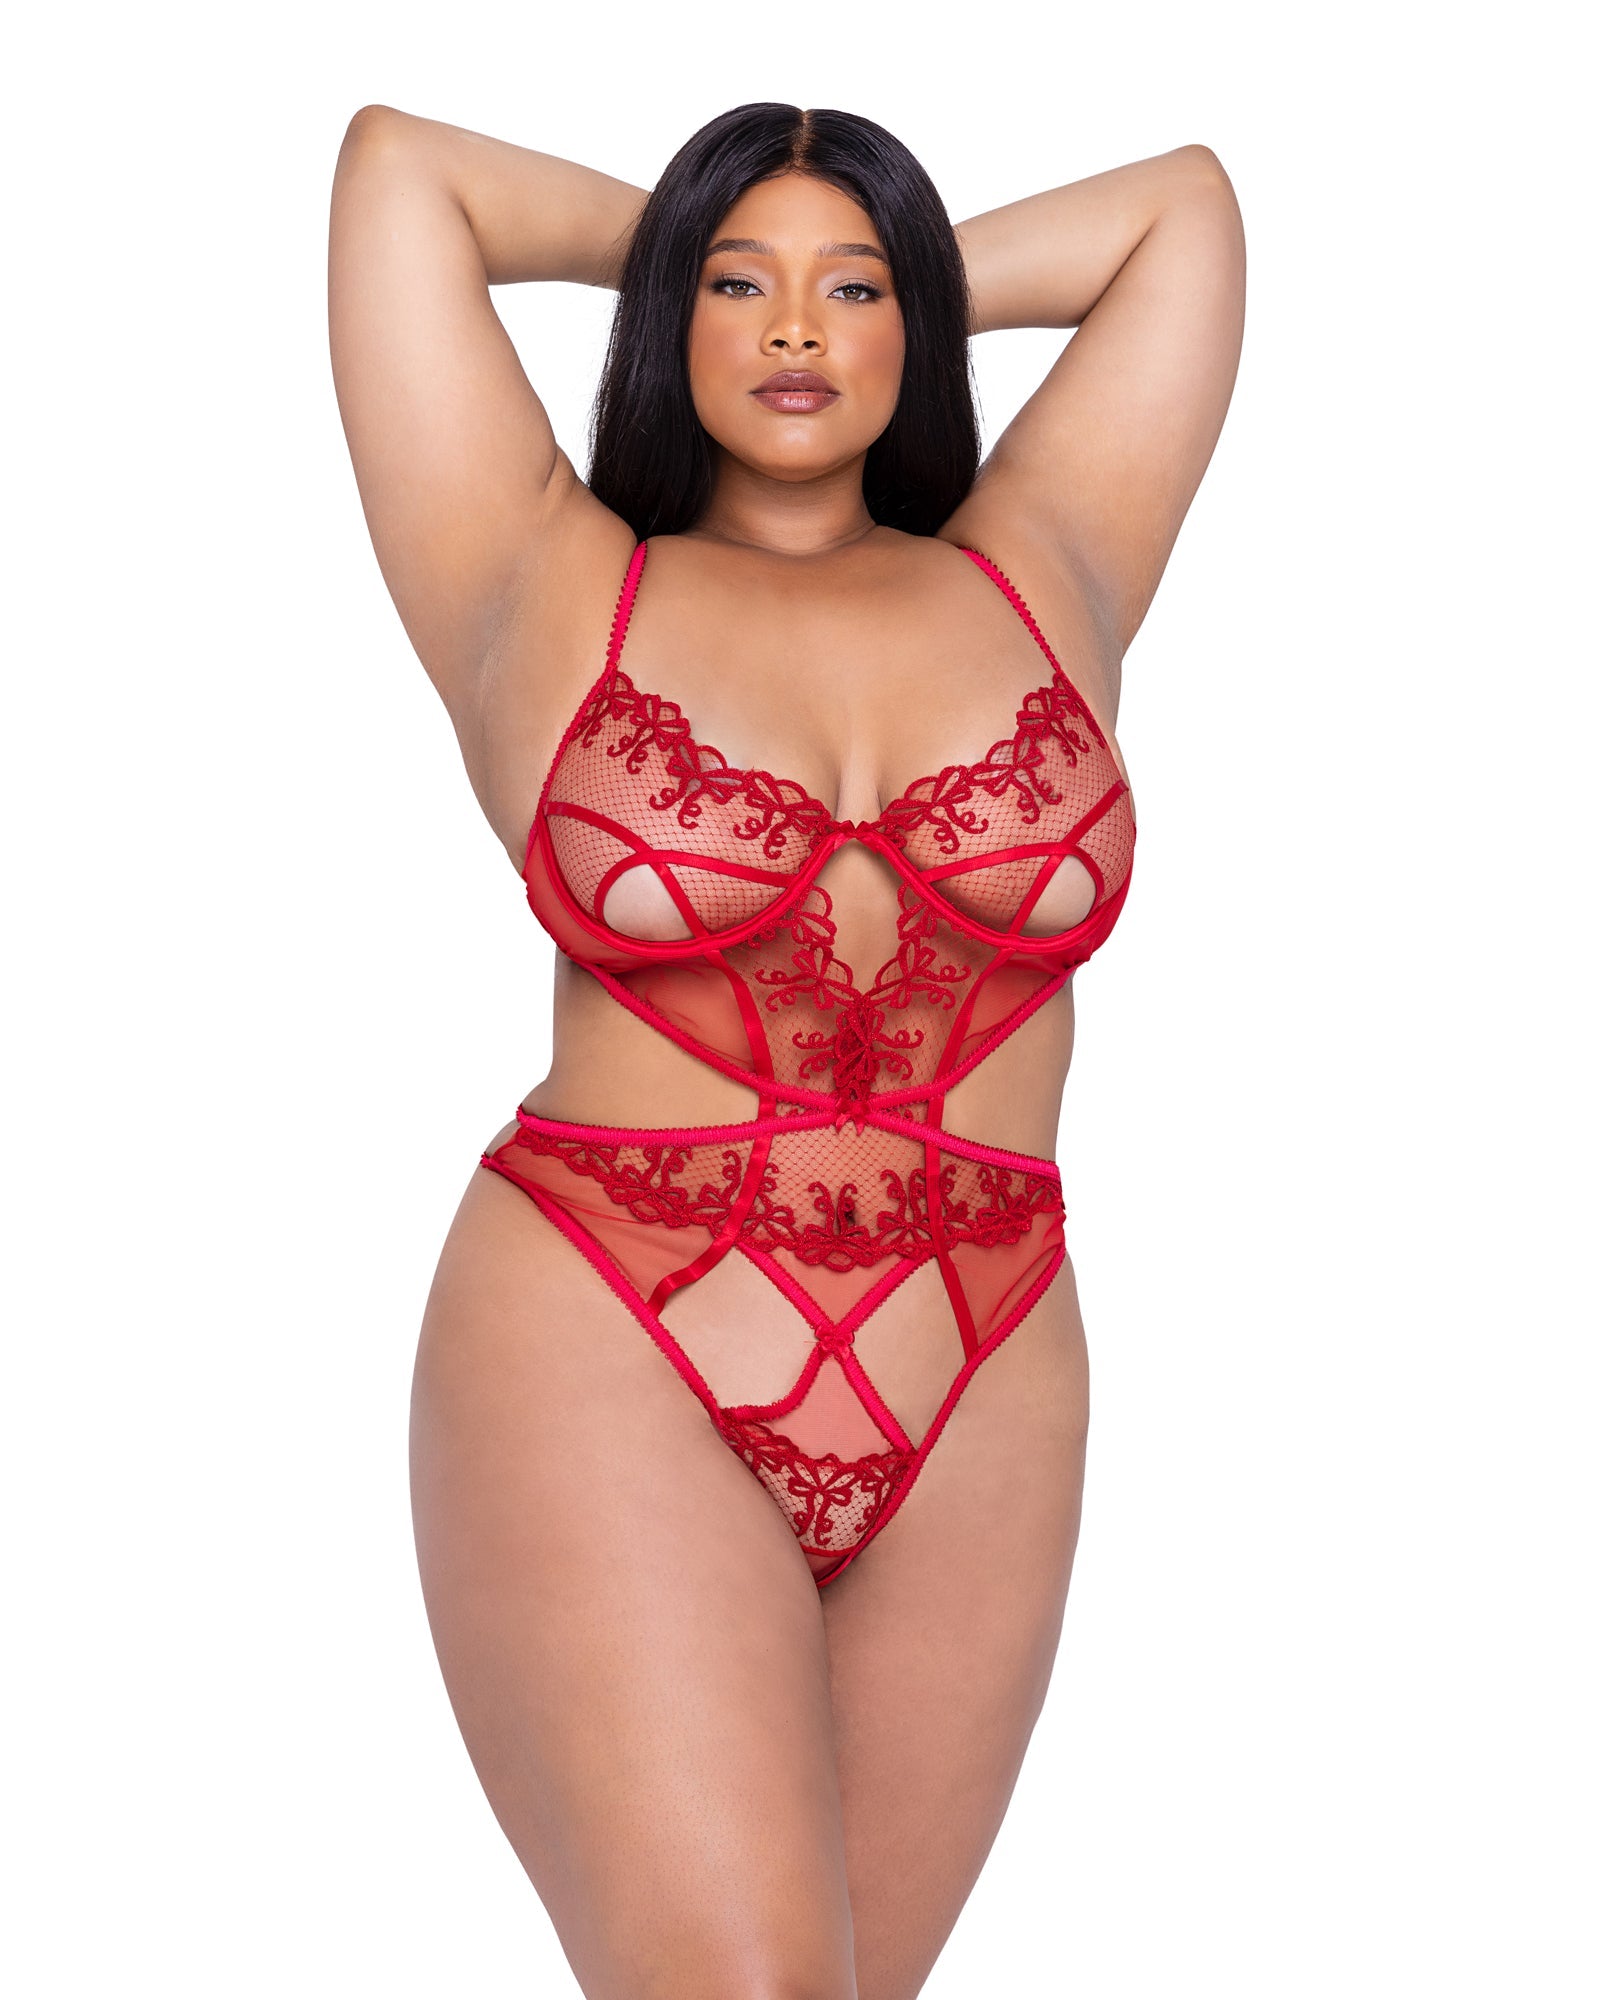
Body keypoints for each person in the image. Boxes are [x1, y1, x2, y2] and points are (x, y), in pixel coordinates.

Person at [328, 99, 1244, 1999]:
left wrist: (875, 269)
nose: (801, 328)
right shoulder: (538, 574)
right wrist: (679, 254)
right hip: (612, 1323)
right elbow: (398, 176)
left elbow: (1187, 217)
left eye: (855, 292)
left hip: (988, 1358)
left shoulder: (1047, 563)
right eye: (743, 290)